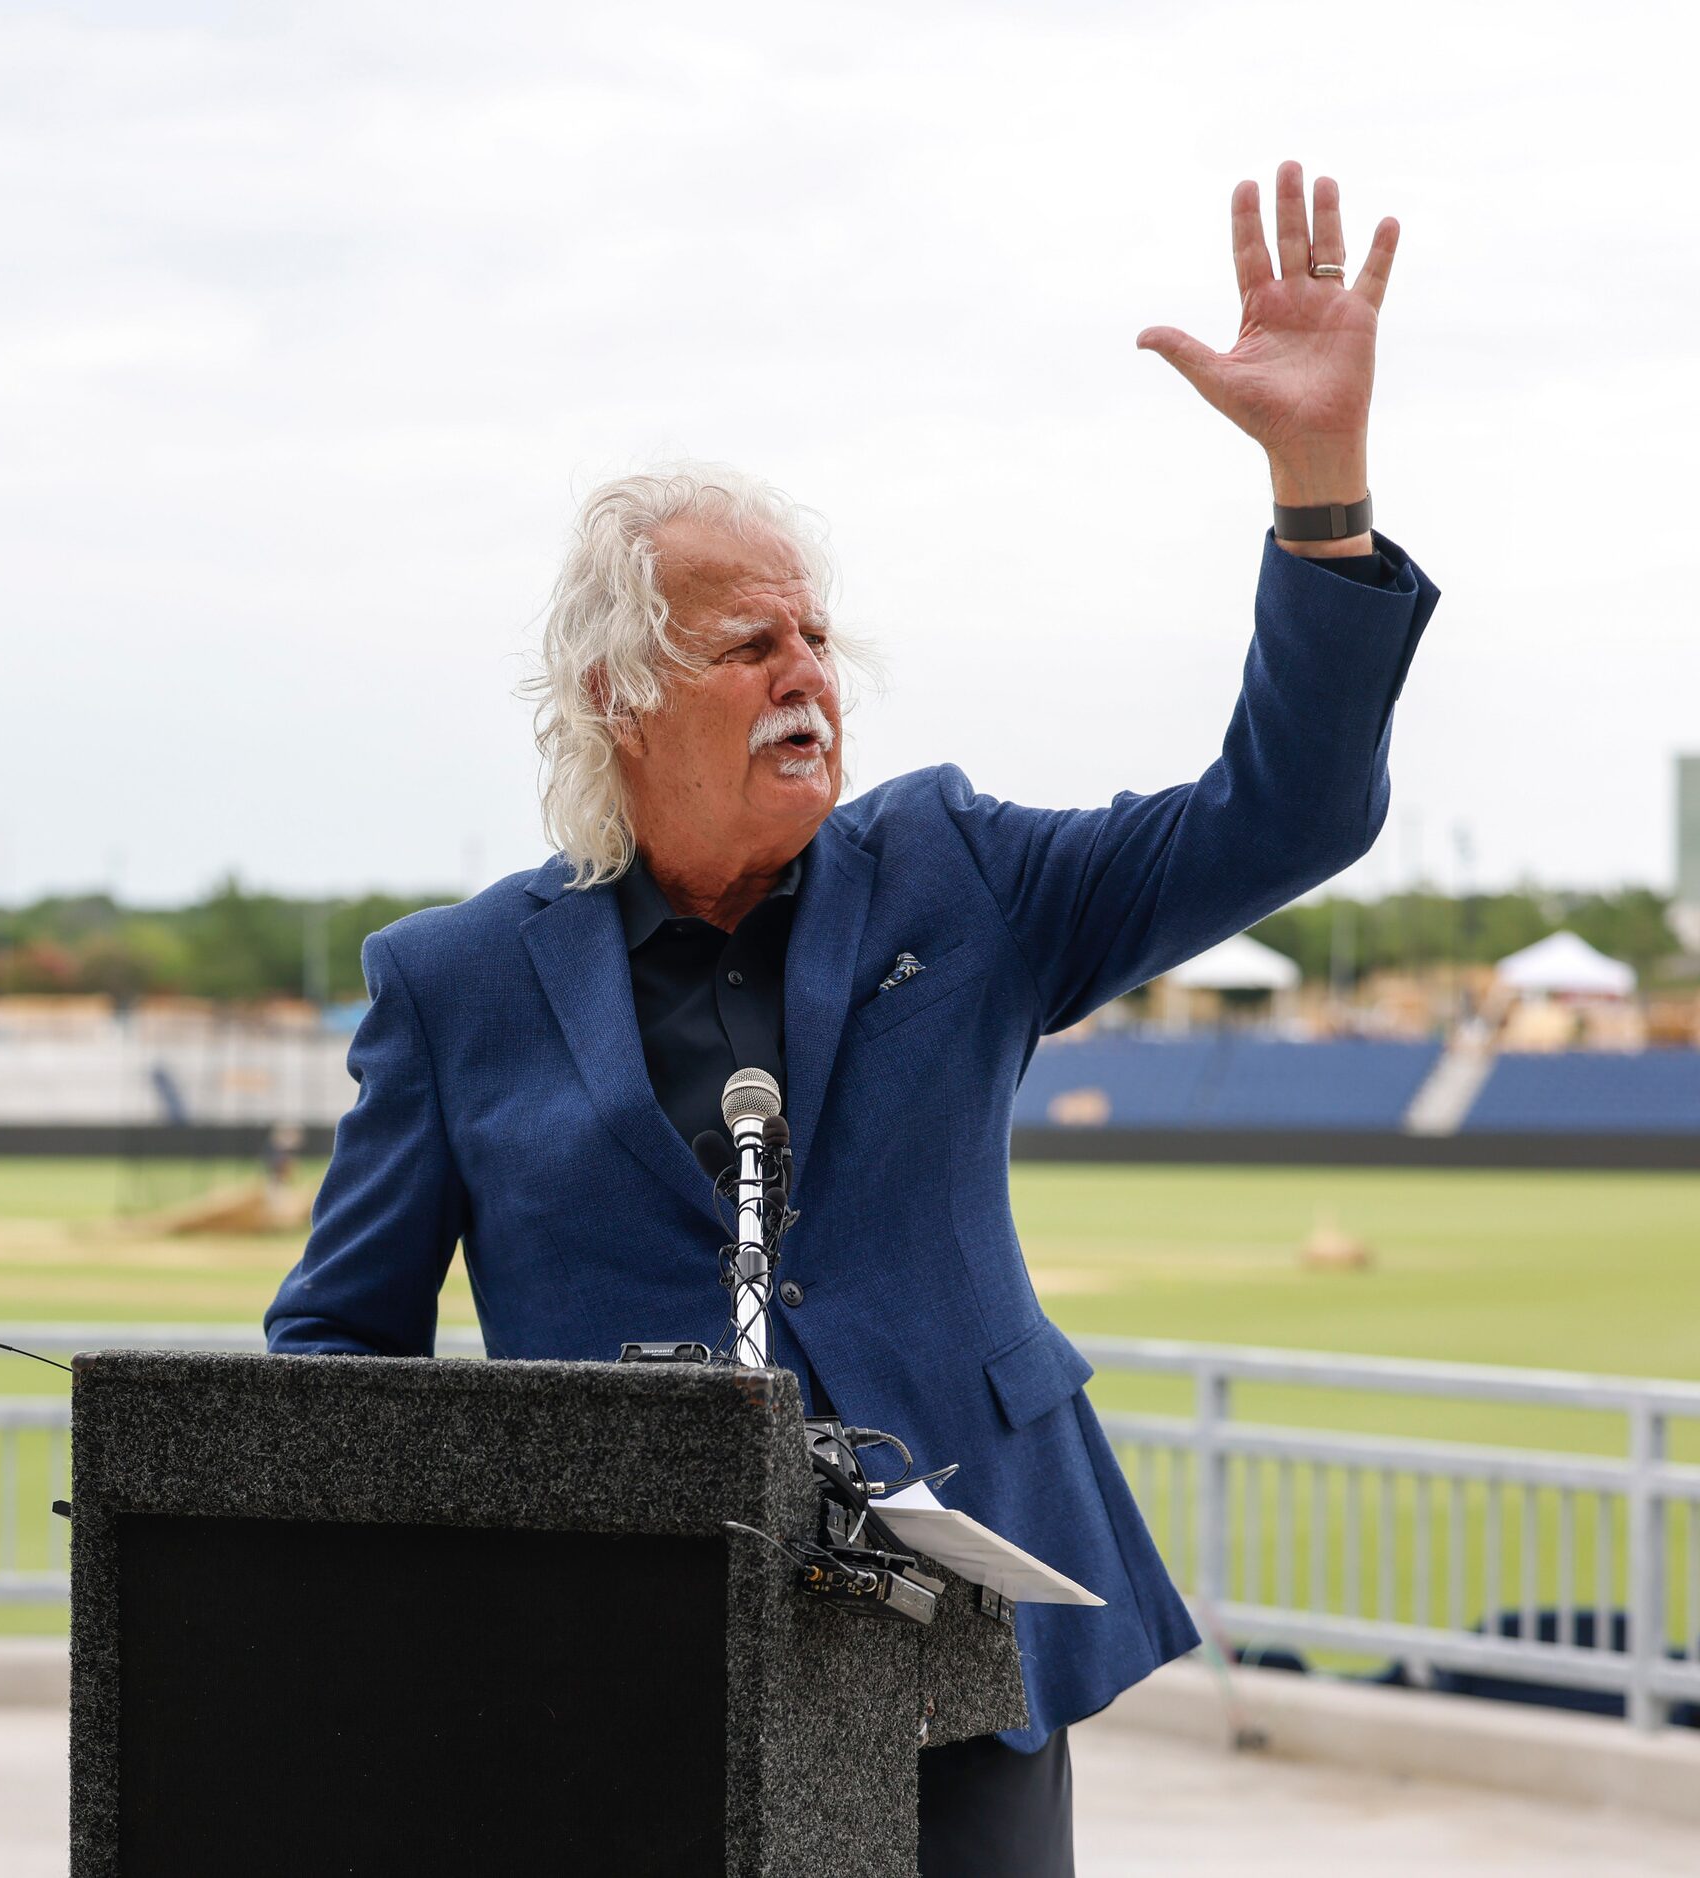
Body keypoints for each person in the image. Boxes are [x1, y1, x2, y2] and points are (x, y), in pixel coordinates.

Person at [265, 164, 1432, 1874]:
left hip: (960, 1666)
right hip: (620, 1675)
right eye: (754, 642)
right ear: (620, 692)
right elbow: (336, 1360)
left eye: (821, 635)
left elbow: (1287, 816)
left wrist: (1317, 490)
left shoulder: (957, 873)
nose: (814, 671)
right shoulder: (452, 986)